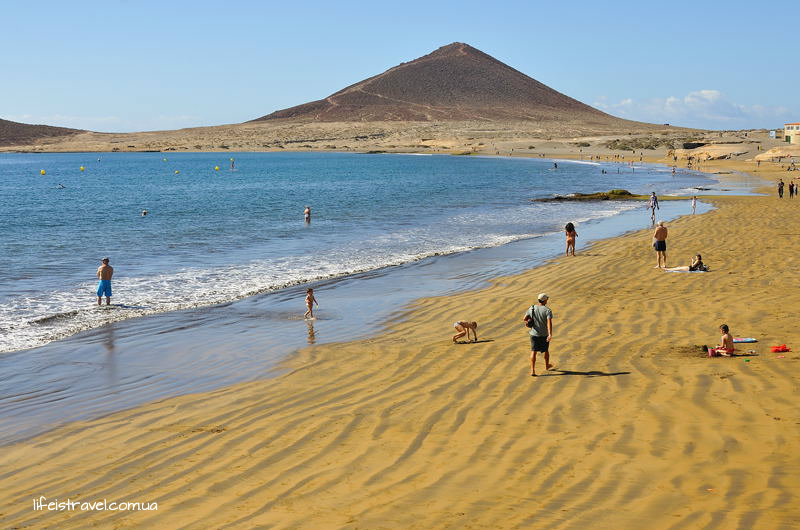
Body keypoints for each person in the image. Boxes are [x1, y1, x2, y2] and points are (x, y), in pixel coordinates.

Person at [523, 293, 553, 376]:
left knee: (533, 351)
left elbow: (524, 319)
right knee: (546, 350)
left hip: (533, 334)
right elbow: (549, 323)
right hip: (544, 334)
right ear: (544, 300)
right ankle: (547, 366)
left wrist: (527, 323)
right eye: (547, 299)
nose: (547, 300)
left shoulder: (532, 308)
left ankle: (533, 370)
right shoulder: (547, 310)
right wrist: (550, 334)